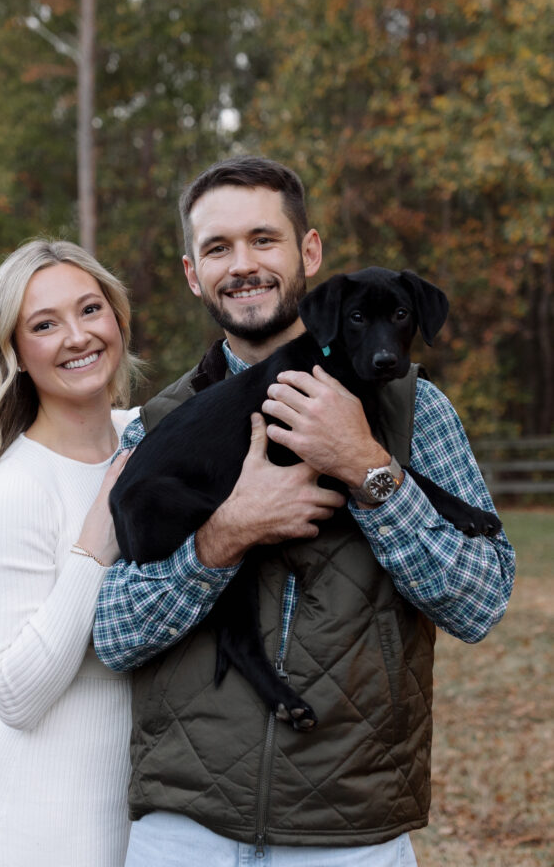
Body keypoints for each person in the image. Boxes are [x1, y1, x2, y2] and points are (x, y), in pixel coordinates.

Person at [94, 155, 516, 866]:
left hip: (349, 830)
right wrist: (221, 537)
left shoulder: (416, 409)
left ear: (308, 253)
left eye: (264, 239)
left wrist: (366, 468)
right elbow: (112, 636)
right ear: (193, 273)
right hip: (184, 828)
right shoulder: (151, 427)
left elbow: (480, 602)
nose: (243, 264)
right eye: (218, 248)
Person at [0, 238, 142, 867]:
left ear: (117, 318)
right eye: (45, 324)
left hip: (147, 806)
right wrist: (93, 547)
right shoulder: (18, 488)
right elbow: (14, 696)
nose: (78, 336)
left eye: (90, 310)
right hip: (46, 822)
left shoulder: (150, 435)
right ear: (16, 353)